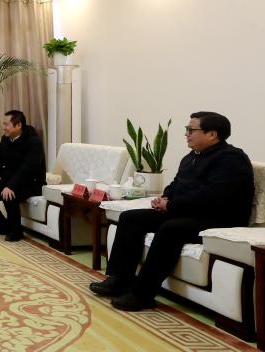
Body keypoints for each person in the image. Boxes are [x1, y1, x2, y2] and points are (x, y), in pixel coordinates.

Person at [89, 111, 254, 311]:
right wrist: (165, 198)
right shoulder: (192, 157)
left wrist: (171, 206)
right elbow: (177, 184)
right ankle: (118, 280)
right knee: (130, 218)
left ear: (212, 134)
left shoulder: (232, 160)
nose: (186, 134)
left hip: (218, 219)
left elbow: (211, 197)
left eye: (191, 130)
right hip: (188, 212)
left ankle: (142, 294)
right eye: (187, 129)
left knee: (170, 228)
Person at [0, 110, 46, 242]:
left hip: (31, 183)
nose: (4, 127)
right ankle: (2, 226)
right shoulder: (6, 139)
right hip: (11, 181)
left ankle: (16, 231)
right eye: (4, 124)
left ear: (18, 125)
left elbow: (27, 168)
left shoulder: (33, 142)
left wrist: (11, 186)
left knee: (7, 194)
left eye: (6, 124)